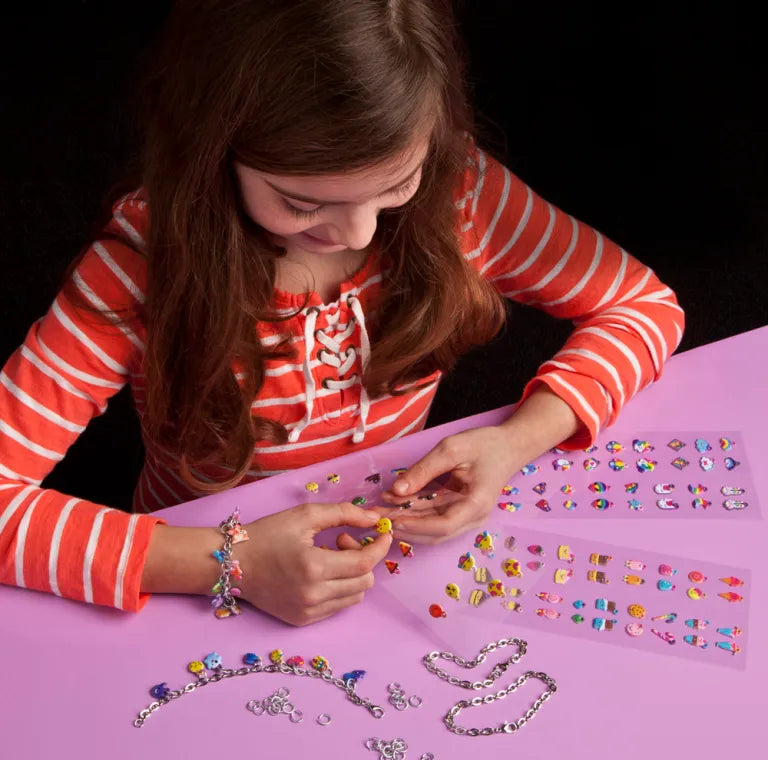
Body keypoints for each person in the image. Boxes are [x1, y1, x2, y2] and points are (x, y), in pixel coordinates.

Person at [0, 0, 684, 626]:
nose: (360, 232)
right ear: (213, 152)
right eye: (302, 203)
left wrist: (514, 444)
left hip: (395, 573)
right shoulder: (140, 268)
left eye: (396, 185)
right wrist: (227, 563)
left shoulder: (462, 192)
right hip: (194, 585)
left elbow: (642, 305)